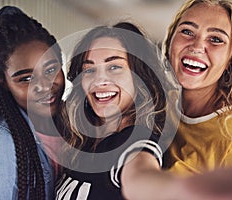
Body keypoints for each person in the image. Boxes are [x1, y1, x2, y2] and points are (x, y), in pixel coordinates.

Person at [0, 6, 65, 199]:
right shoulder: (4, 142)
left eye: (50, 70)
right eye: (25, 79)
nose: (43, 86)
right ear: (4, 82)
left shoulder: (69, 124)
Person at [55, 22, 167, 200]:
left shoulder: (136, 141)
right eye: (89, 69)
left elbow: (141, 172)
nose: (99, 80)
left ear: (139, 76)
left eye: (114, 67)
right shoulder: (81, 145)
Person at [162, 0, 232, 176]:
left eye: (215, 39)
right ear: (170, 42)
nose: (196, 47)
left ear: (231, 59)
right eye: (187, 31)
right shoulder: (156, 105)